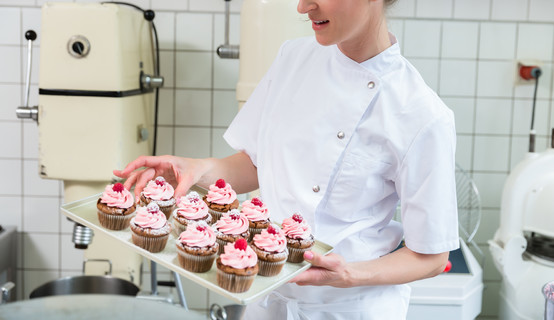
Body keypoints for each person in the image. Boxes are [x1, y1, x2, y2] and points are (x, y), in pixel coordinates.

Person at [114, 0, 459, 318]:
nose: (303, 6)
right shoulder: (292, 58)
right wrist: (198, 169)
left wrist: (349, 274)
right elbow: (257, 165)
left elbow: (430, 256)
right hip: (268, 301)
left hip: (348, 308)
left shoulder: (422, 115)